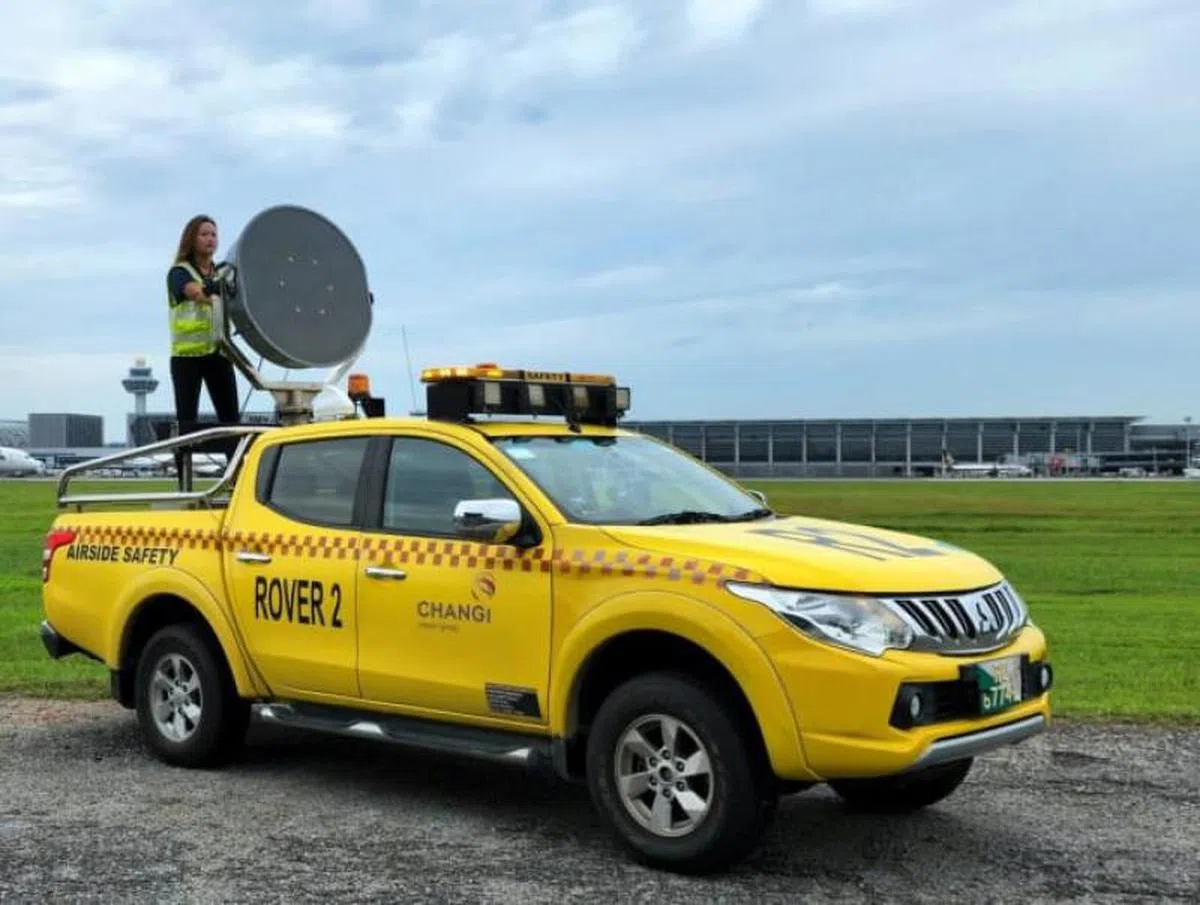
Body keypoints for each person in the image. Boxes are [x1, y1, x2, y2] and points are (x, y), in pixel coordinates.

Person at [166, 214, 241, 476]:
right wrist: (218, 290)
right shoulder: (179, 272)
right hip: (187, 359)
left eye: (214, 234)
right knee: (186, 424)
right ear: (191, 239)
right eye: (204, 234)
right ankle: (183, 479)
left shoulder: (224, 272)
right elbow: (194, 292)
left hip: (219, 354)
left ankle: (235, 478)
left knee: (232, 421)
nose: (211, 239)